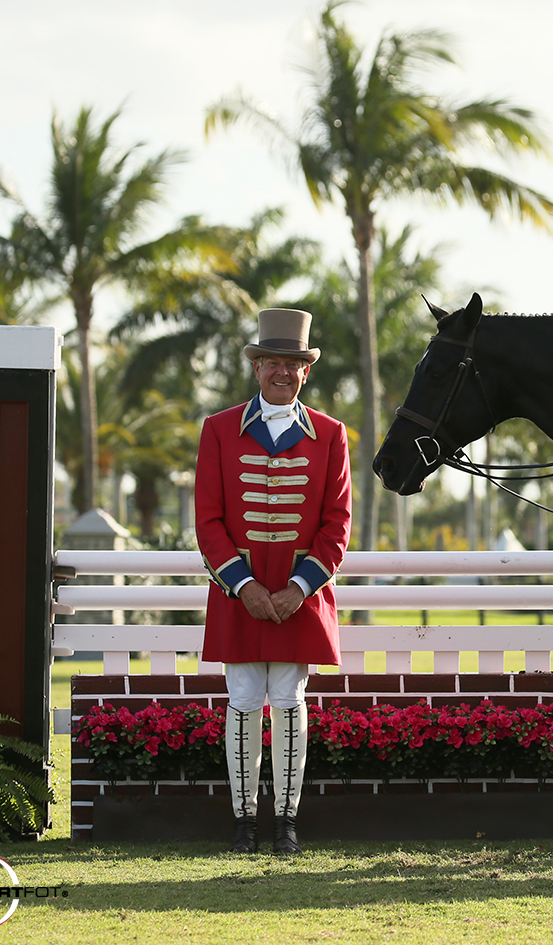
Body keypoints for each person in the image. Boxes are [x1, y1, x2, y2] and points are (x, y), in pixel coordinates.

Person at [195, 308, 352, 854]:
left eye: (291, 363)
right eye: (270, 362)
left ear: (305, 371)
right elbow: (208, 522)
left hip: (298, 596)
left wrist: (295, 590)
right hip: (239, 594)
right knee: (241, 699)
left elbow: (337, 524)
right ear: (256, 367)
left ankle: (284, 822)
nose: (280, 372)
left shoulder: (331, 435)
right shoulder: (218, 429)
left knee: (289, 700)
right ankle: (243, 822)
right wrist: (247, 588)